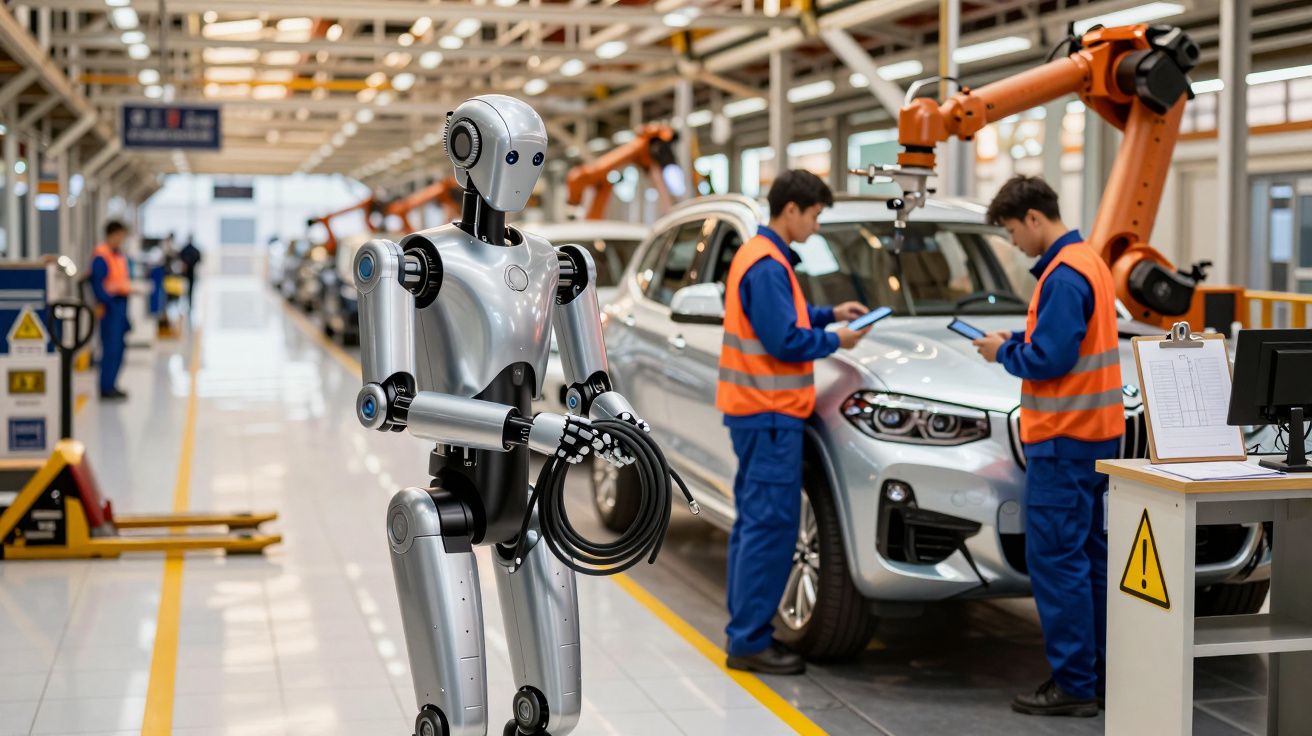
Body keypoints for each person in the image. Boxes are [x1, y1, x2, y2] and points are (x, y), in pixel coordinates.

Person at [969, 175, 1123, 717]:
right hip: (1098, 437)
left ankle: (1073, 685)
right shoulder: (1089, 262)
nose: (1013, 242)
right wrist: (1016, 341)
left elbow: (1048, 360)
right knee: (1090, 560)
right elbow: (1065, 345)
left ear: (1034, 218)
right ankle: (1099, 675)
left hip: (1062, 442)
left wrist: (1002, 355)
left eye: (1012, 230)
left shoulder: (1061, 276)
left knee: (1057, 562)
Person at [716, 170, 872, 675]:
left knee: (757, 523)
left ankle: (746, 631)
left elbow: (785, 318)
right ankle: (749, 641)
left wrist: (828, 314)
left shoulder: (768, 259)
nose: (817, 225)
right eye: (815, 214)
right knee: (769, 526)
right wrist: (837, 341)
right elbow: (785, 341)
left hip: (762, 414)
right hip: (768, 415)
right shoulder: (766, 265)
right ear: (791, 210)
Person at [90, 220, 133, 400]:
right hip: (109, 307)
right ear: (112, 235)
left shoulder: (118, 255)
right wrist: (109, 304)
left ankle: (112, 384)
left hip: (121, 304)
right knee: (110, 348)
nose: (122, 239)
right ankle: (105, 387)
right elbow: (97, 285)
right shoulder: (102, 255)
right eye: (120, 236)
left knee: (120, 347)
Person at [179, 235, 202, 312]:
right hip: (190, 273)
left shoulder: (185, 249)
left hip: (186, 273)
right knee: (188, 290)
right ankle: (188, 304)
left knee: (185, 289)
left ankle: (187, 305)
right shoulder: (194, 250)